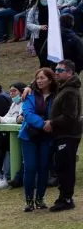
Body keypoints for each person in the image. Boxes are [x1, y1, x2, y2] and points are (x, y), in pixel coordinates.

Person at [19, 67, 57, 210]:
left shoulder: (56, 95)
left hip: (47, 138)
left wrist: (51, 123)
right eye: (37, 78)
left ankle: (40, 199)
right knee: (30, 168)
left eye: (42, 78)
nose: (39, 81)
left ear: (50, 79)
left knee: (43, 168)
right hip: (30, 136)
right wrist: (44, 124)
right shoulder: (30, 95)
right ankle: (29, 200)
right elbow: (27, 114)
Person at [48, 60, 82, 211]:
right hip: (62, 134)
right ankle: (63, 197)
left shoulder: (70, 91)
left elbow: (70, 116)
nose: (56, 72)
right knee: (61, 165)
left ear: (69, 72)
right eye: (56, 69)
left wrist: (52, 123)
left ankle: (66, 198)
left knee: (66, 167)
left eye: (60, 70)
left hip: (69, 134)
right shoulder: (63, 88)